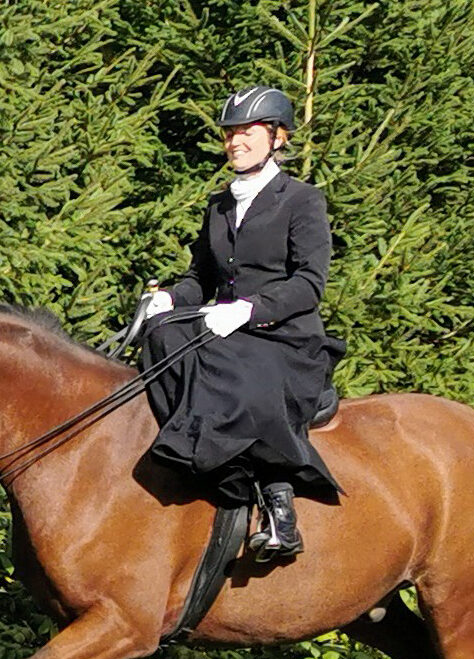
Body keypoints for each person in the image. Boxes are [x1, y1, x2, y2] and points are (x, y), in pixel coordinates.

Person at [140, 85, 345, 562]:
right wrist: (169, 297)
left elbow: (309, 283)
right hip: (226, 324)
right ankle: (202, 459)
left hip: (284, 335)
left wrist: (249, 309)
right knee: (162, 335)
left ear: (277, 138)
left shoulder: (302, 200)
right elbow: (201, 278)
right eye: (230, 133)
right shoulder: (219, 205)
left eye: (247, 132)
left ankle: (279, 501)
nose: (235, 141)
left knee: (234, 370)